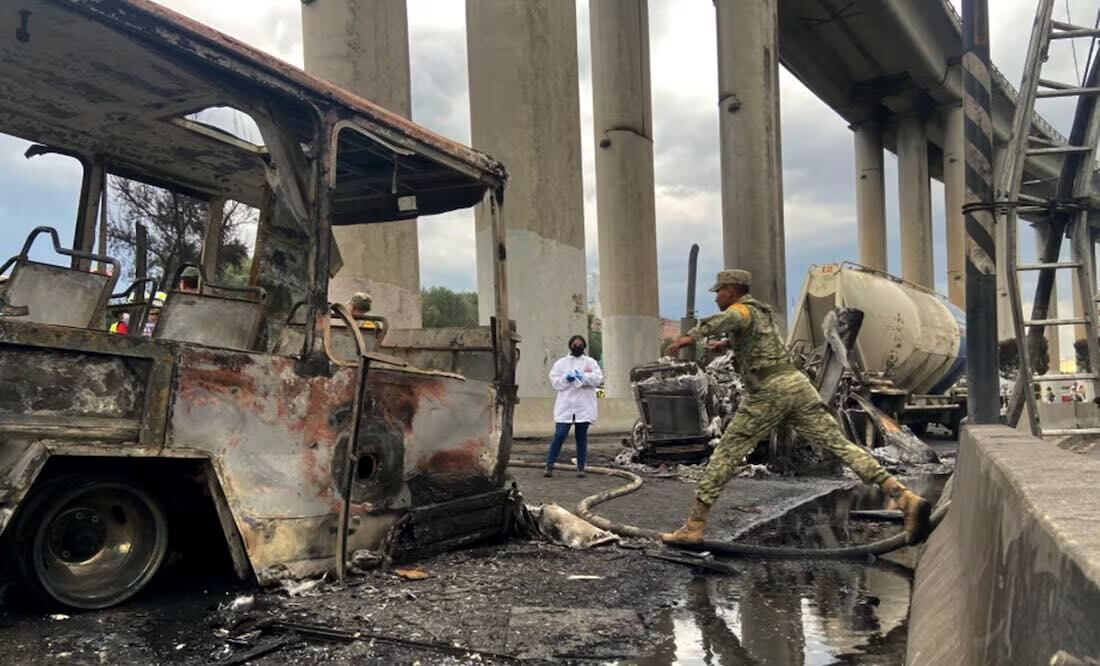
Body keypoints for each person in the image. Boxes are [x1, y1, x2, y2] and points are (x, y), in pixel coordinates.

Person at [662, 269, 932, 545]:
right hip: (797, 386)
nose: (717, 296)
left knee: (726, 454)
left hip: (768, 392)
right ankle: (903, 497)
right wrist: (727, 343)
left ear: (731, 290)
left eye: (719, 291)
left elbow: (730, 318)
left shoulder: (741, 311)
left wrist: (689, 337)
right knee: (840, 445)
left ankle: (694, 527)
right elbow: (755, 338)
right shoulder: (762, 314)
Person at [545, 335, 604, 478]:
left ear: (584, 346)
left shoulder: (590, 362)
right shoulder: (561, 363)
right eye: (574, 344)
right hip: (565, 407)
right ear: (570, 345)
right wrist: (567, 378)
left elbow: (598, 379)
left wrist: (583, 377)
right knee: (559, 435)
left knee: (581, 437)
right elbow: (555, 382)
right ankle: (549, 465)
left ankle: (581, 468)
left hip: (583, 407)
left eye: (580, 344)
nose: (577, 346)